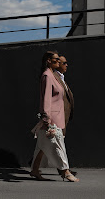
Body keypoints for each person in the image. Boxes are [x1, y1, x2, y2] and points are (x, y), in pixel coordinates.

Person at [30, 51, 79, 182]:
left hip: (58, 117)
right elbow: (46, 99)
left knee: (41, 146)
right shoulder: (47, 76)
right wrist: (46, 119)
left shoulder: (53, 75)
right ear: (48, 61)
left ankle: (35, 170)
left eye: (59, 59)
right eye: (56, 59)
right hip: (52, 119)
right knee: (59, 146)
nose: (59, 61)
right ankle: (66, 172)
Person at [53, 55, 77, 176]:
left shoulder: (61, 77)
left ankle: (35, 167)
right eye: (64, 63)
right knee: (59, 143)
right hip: (57, 116)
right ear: (58, 64)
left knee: (43, 146)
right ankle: (64, 170)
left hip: (63, 116)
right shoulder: (54, 77)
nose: (67, 65)